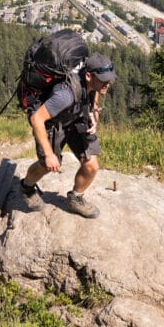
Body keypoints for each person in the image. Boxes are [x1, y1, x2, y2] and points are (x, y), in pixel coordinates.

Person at [20, 53, 116, 218]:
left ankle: (75, 199)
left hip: (75, 118)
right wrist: (49, 155)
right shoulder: (65, 95)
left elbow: (94, 93)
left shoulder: (94, 83)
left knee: (91, 165)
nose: (108, 83)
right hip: (52, 125)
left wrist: (93, 114)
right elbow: (37, 119)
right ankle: (26, 188)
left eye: (109, 79)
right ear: (88, 75)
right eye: (103, 79)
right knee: (46, 165)